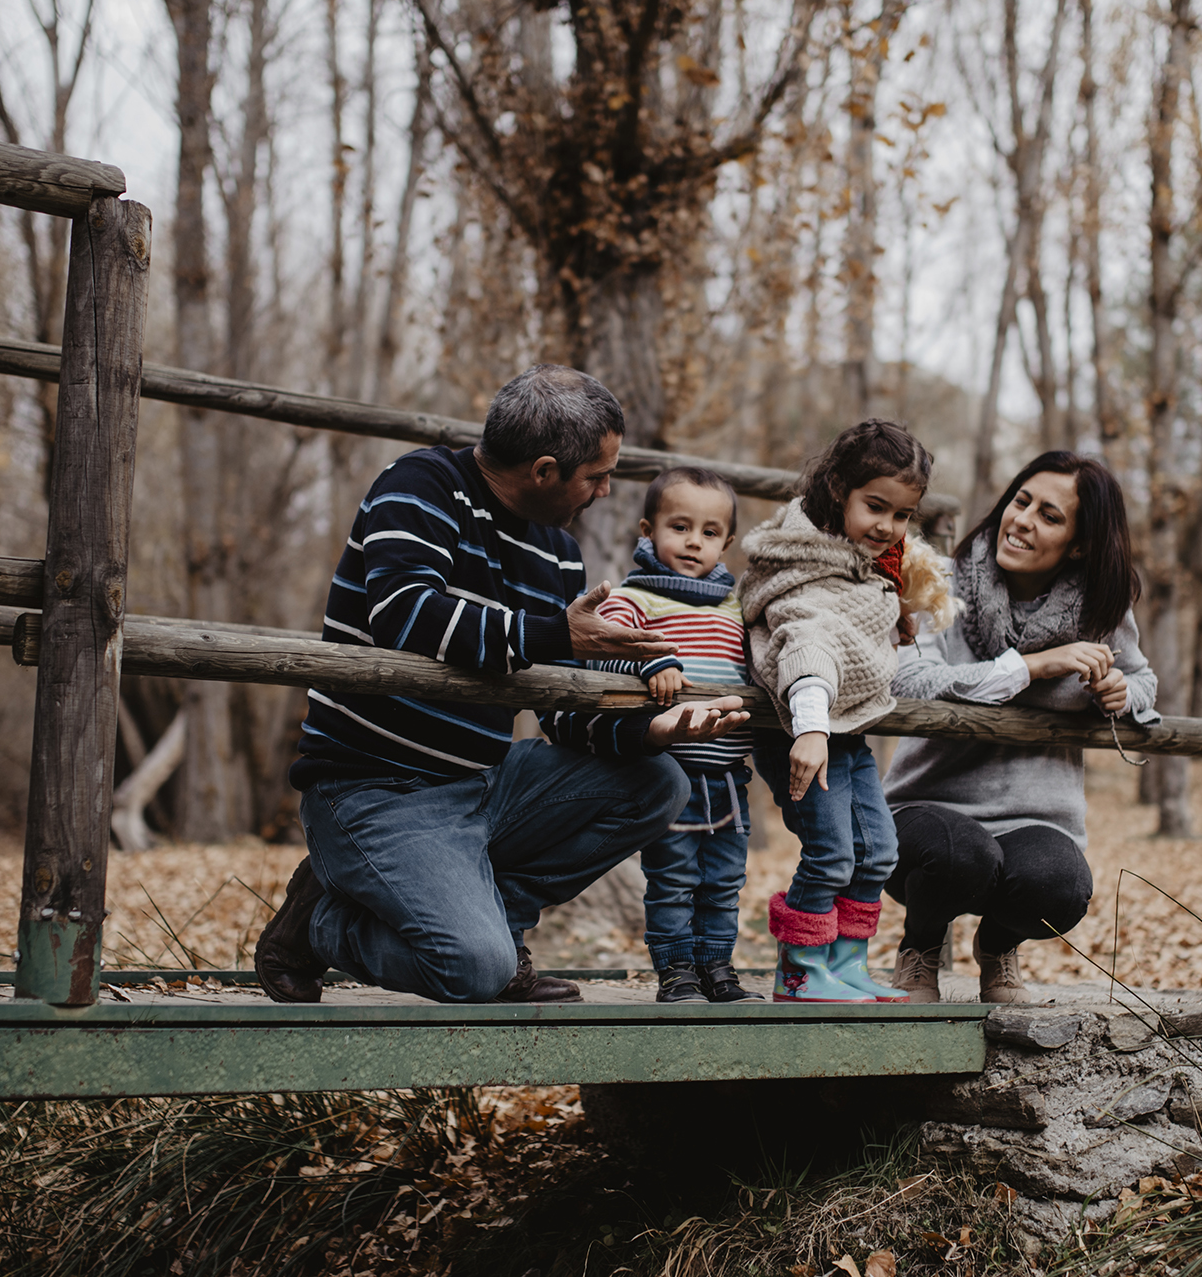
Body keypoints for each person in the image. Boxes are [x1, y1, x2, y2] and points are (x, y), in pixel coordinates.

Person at [253, 365, 750, 1006]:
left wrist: (647, 729)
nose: (603, 493)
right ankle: (319, 924)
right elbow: (404, 611)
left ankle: (496, 920)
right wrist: (554, 636)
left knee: (659, 783)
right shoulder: (421, 485)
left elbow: (560, 707)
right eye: (596, 476)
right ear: (544, 471)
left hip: (484, 781)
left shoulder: (559, 551)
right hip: (374, 786)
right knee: (473, 973)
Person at [883, 451, 1159, 1005]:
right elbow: (911, 679)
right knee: (964, 854)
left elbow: (1143, 679)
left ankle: (998, 949)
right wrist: (1035, 665)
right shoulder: (941, 583)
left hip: (1036, 818)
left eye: (1050, 516)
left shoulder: (1100, 609)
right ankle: (920, 950)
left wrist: (1122, 694)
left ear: (1079, 543)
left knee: (1061, 886)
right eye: (1021, 501)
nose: (1023, 520)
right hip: (923, 811)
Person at [739, 420, 938, 1003]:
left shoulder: (863, 565)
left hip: (843, 734)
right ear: (836, 490)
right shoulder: (806, 567)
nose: (887, 526)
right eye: (875, 506)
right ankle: (800, 973)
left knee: (878, 851)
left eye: (902, 515)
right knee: (830, 853)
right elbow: (809, 645)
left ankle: (846, 966)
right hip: (803, 732)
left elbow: (857, 628)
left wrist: (891, 619)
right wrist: (811, 731)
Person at [587, 467, 764, 1004]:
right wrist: (654, 657)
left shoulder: (736, 604)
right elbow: (610, 632)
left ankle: (718, 968)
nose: (694, 541)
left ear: (726, 543)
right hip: (674, 771)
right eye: (679, 526)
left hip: (729, 775)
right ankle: (677, 971)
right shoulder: (637, 596)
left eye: (710, 532)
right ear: (648, 531)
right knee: (672, 879)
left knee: (724, 882)